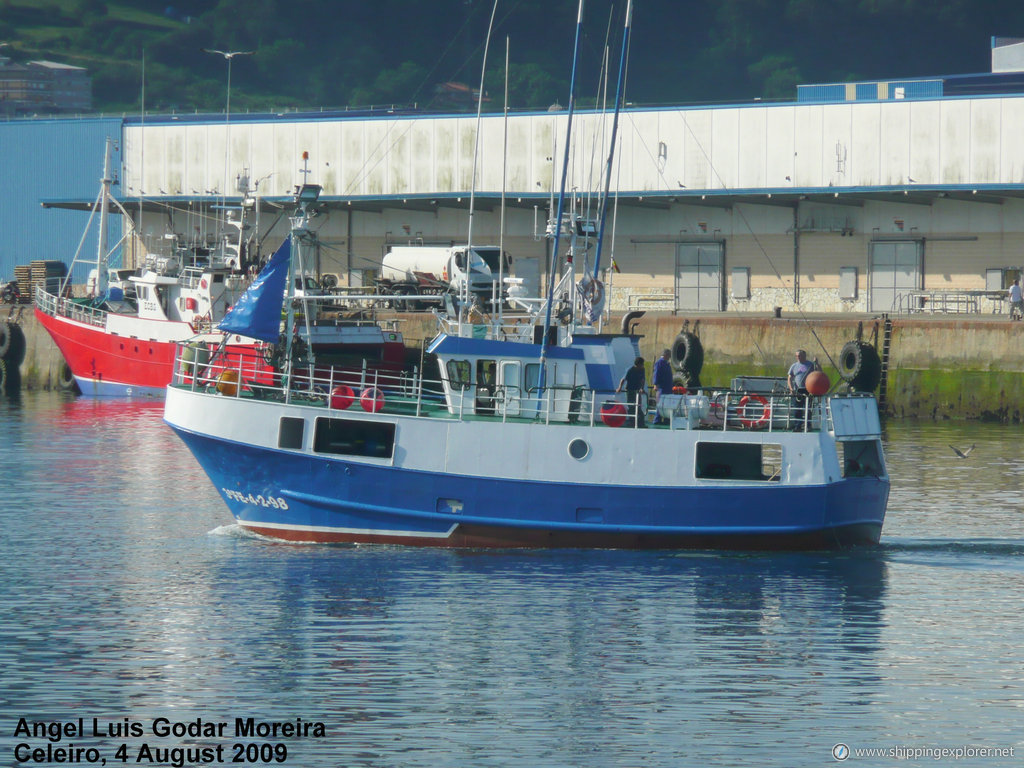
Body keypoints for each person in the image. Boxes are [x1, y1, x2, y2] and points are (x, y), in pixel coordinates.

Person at [787, 348, 815, 429]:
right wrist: (791, 388)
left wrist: (817, 364)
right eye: (796, 356)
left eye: (799, 355)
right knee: (797, 409)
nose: (798, 357)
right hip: (798, 390)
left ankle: (808, 425)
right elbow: (789, 378)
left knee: (808, 409)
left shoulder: (810, 365)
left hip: (808, 390)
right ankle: (797, 425)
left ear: (804, 356)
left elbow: (819, 372)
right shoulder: (794, 366)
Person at [616, 356, 647, 428]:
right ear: (638, 364)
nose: (643, 365)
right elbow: (623, 379)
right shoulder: (630, 370)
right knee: (631, 406)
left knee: (638, 406)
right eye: (642, 364)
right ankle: (631, 422)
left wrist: (642, 388)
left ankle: (641, 423)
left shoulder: (642, 369)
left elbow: (642, 379)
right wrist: (619, 388)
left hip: (637, 390)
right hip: (630, 390)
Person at [651, 348, 674, 424]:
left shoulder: (667, 364)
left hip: (668, 387)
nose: (669, 357)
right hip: (662, 387)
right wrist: (655, 384)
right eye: (669, 355)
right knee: (660, 403)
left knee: (667, 403)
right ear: (665, 355)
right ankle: (657, 420)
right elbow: (656, 373)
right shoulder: (659, 363)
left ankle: (667, 419)